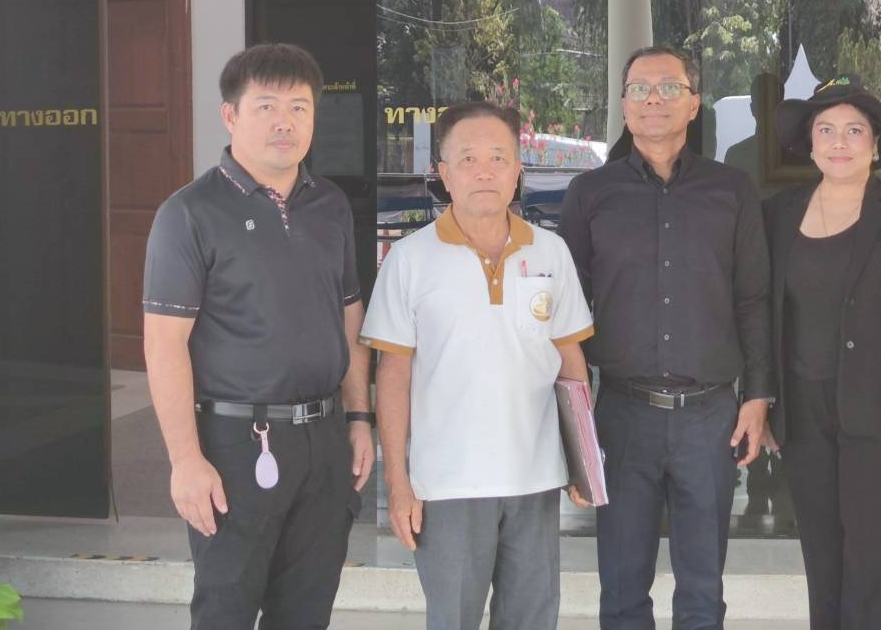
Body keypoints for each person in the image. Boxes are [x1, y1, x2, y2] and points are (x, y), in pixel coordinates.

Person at [141, 43, 374, 629]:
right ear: (230, 116)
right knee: (226, 608)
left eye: (299, 108)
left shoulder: (330, 206)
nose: (284, 122)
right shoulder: (189, 213)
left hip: (324, 444)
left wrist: (358, 418)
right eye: (266, 106)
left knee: (307, 610)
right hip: (234, 443)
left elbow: (349, 314)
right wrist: (185, 460)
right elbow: (164, 343)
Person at [558, 45, 773, 630]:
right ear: (624, 107)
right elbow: (565, 315)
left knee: (703, 587)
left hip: (711, 416)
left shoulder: (732, 190)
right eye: (640, 89)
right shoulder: (590, 194)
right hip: (622, 414)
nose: (654, 99)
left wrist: (757, 396)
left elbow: (754, 298)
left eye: (668, 88)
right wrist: (571, 425)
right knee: (623, 587)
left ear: (694, 103)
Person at [361, 101, 595, 630]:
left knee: (532, 620)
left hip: (533, 479)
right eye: (467, 159)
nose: (484, 170)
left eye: (498, 157)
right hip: (446, 486)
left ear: (518, 171)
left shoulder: (551, 252)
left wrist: (583, 462)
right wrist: (397, 482)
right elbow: (392, 377)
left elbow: (571, 363)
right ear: (443, 174)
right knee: (453, 620)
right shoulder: (410, 259)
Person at [762, 78, 881, 630]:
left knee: (879, 563)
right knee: (824, 562)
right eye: (826, 130)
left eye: (853, 131)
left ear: (875, 143)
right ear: (810, 143)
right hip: (804, 415)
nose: (838, 142)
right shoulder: (777, 216)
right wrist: (765, 399)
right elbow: (765, 315)